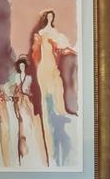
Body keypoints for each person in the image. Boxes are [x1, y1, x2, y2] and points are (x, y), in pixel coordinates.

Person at [27, 10, 80, 168]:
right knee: (45, 95)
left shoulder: (55, 33)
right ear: (45, 18)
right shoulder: (41, 33)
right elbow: (35, 53)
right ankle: (47, 113)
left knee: (58, 86)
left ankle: (59, 109)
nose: (50, 19)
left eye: (52, 17)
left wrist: (67, 51)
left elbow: (62, 48)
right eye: (48, 17)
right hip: (44, 66)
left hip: (52, 66)